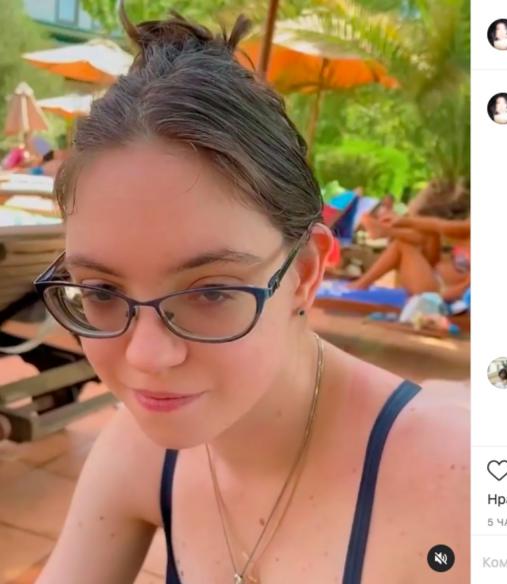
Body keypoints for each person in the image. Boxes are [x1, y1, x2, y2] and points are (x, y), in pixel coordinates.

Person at [34, 6, 468, 584]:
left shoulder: (458, 485)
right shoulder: (138, 450)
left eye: (211, 293)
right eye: (101, 291)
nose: (146, 357)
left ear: (305, 271)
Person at [349, 181, 470, 303]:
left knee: (403, 245)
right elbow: (441, 227)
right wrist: (401, 222)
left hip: (436, 290)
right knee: (429, 234)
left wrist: (439, 298)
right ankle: (385, 231)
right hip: (433, 275)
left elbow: (467, 287)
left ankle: (362, 282)